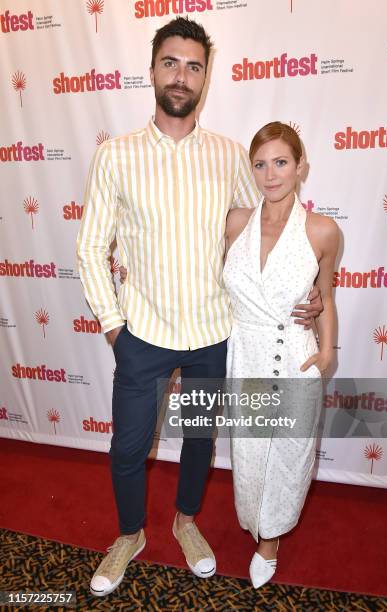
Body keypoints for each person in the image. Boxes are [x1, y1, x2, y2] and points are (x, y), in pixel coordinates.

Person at [77, 18, 322, 597]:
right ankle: (130, 534)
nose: (181, 75)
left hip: (216, 333)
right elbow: (90, 248)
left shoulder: (231, 156)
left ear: (206, 78)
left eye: (193, 66)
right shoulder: (116, 155)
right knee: (129, 446)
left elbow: (265, 229)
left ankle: (185, 521)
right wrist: (115, 328)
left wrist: (305, 288)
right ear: (153, 69)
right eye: (171, 63)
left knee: (200, 440)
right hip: (142, 333)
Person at [223, 121, 339, 588]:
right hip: (246, 354)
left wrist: (326, 350)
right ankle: (255, 522)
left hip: (295, 356)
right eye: (260, 164)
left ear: (300, 167)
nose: (270, 174)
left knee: (289, 457)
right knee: (250, 454)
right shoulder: (234, 222)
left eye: (281, 162)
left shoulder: (322, 230)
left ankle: (268, 543)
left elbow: (325, 295)